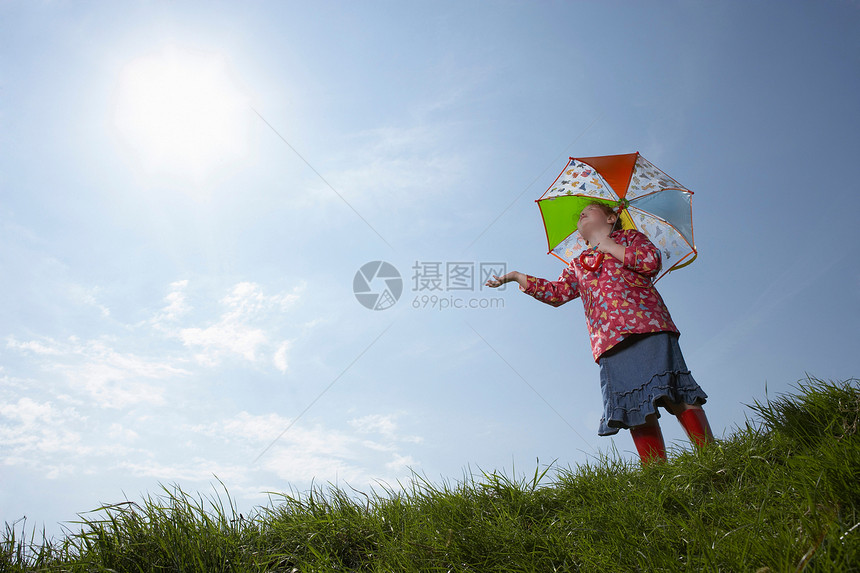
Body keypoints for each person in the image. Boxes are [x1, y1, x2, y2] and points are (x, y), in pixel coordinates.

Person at [484, 201, 714, 463]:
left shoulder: (629, 238)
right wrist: (516, 276)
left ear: (611, 217)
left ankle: (710, 457)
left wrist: (612, 247)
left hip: (648, 325)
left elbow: (651, 262)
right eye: (579, 215)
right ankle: (657, 473)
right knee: (635, 407)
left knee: (675, 390)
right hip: (609, 342)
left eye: (590, 210)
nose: (581, 214)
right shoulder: (578, 264)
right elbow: (557, 293)